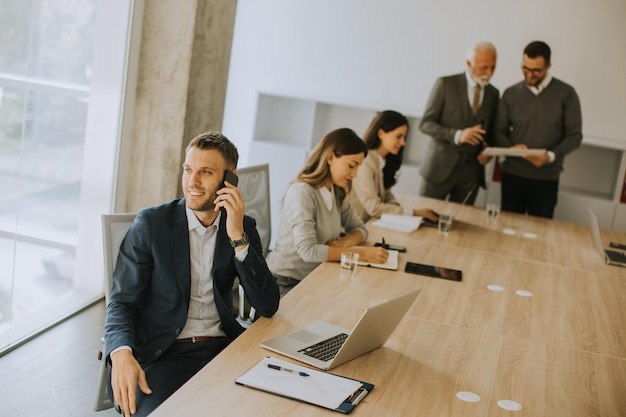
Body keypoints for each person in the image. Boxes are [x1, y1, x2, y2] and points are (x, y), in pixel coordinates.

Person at [104, 132, 280, 417]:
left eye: (205, 172)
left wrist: (237, 237)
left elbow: (267, 304)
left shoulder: (242, 226)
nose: (192, 181)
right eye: (188, 170)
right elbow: (122, 302)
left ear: (229, 178)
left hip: (224, 350)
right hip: (165, 355)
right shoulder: (151, 224)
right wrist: (120, 352)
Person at [266, 128, 389, 297]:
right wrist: (361, 254)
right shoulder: (302, 192)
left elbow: (361, 229)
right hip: (286, 282)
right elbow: (309, 252)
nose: (355, 174)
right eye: (351, 166)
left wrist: (344, 243)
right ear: (330, 157)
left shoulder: (335, 191)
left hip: (316, 275)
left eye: (358, 168)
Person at [494, 41, 582, 219]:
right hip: (513, 175)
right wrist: (512, 149)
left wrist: (549, 156)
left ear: (548, 66)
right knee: (507, 228)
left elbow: (574, 136)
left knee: (539, 233)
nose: (529, 74)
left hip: (546, 178)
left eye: (536, 70)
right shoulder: (510, 93)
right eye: (525, 68)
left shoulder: (566, 94)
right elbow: (498, 131)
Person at [419, 41, 499, 204]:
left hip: (471, 176)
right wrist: (457, 135)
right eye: (484, 67)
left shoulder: (493, 93)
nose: (489, 73)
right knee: (424, 219)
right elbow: (426, 124)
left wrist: (487, 152)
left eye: (493, 67)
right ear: (469, 64)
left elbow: (490, 132)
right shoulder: (445, 84)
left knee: (461, 224)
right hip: (439, 170)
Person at [350, 110, 438, 223]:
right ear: (381, 133)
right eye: (399, 136)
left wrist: (399, 210)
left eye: (404, 137)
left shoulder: (384, 161)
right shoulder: (364, 163)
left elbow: (388, 197)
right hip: (358, 227)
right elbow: (374, 208)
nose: (403, 143)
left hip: (373, 223)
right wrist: (414, 213)